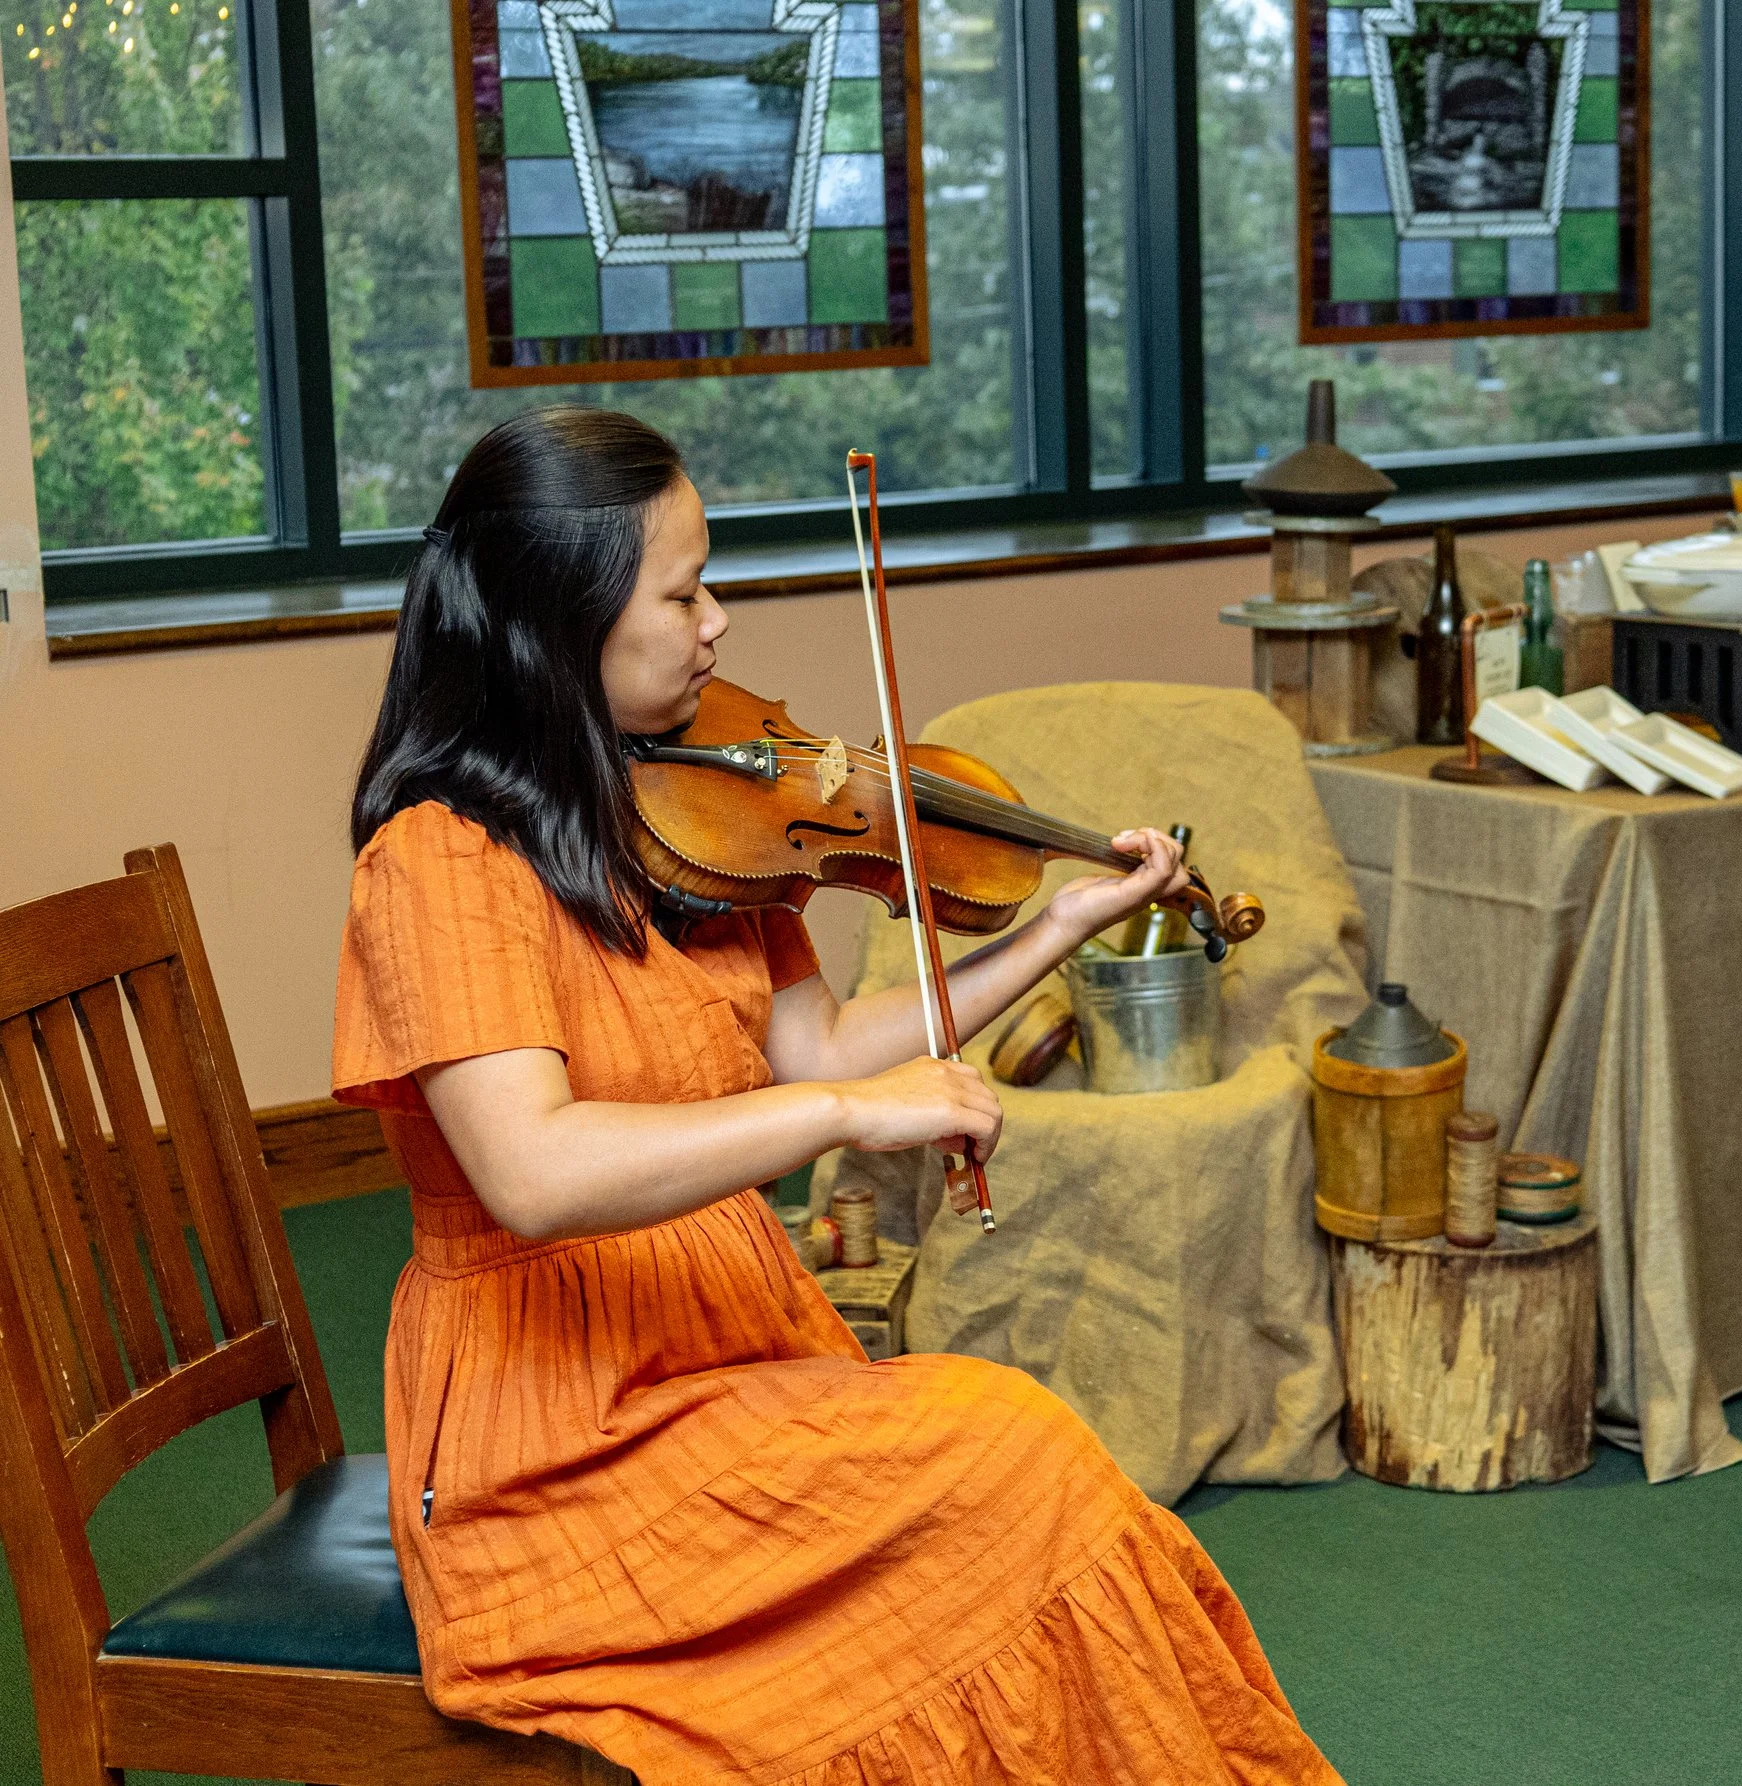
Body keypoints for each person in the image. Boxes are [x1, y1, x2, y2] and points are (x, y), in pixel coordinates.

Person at [332, 407, 1341, 1784]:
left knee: (1015, 1477)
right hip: (559, 1435)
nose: (717, 625)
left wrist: (1056, 929)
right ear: (556, 620)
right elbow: (534, 1171)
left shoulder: (678, 817)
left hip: (721, 1351)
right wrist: (846, 1122)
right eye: (682, 594)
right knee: (1013, 1461)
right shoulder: (437, 861)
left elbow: (821, 1047)